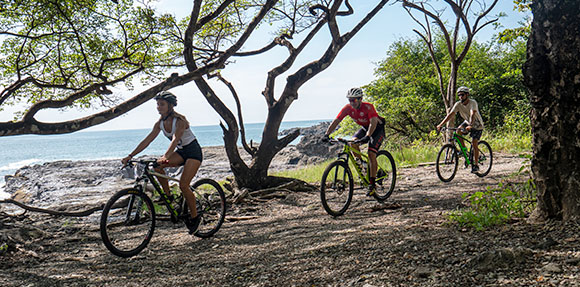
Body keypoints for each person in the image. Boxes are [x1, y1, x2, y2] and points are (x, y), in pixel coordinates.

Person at [121, 91, 203, 234]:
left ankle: (195, 217)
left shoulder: (180, 121)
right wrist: (130, 155)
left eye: (162, 104)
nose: (159, 107)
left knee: (183, 185)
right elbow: (147, 140)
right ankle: (168, 196)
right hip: (181, 152)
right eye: (158, 104)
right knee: (157, 167)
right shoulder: (159, 123)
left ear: (170, 105)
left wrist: (165, 156)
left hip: (193, 152)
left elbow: (176, 139)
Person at [324, 87, 386, 195]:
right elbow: (336, 121)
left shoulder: (368, 107)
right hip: (365, 128)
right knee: (353, 142)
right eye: (350, 100)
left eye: (355, 100)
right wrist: (327, 134)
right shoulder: (347, 108)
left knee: (371, 153)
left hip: (377, 129)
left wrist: (368, 136)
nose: (352, 102)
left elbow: (373, 122)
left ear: (360, 99)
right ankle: (362, 165)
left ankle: (372, 185)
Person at [436, 86, 485, 173]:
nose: (460, 97)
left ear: (467, 95)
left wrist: (471, 125)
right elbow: (450, 114)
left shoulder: (472, 102)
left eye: (462, 95)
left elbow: (472, 113)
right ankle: (464, 151)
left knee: (474, 143)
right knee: (458, 131)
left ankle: (476, 165)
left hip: (477, 124)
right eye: (459, 95)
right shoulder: (458, 104)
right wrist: (441, 124)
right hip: (467, 122)